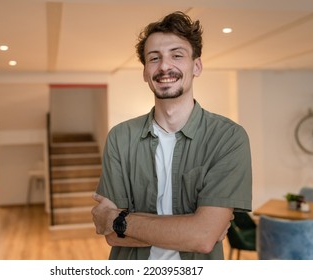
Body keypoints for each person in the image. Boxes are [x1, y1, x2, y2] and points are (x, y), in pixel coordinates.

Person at [91, 11, 252, 260]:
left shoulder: (228, 138)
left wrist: (118, 220)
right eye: (154, 58)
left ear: (196, 66)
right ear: (145, 72)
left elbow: (203, 238)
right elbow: (111, 236)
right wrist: (193, 227)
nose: (165, 66)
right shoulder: (120, 138)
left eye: (177, 55)